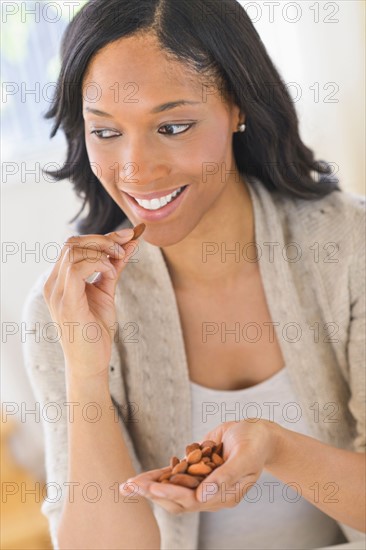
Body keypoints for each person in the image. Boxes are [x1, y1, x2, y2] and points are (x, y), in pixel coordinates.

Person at [22, 0, 365, 549]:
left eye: (173, 125)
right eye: (106, 133)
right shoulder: (63, 309)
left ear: (238, 107)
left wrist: (275, 448)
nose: (136, 169)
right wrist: (85, 373)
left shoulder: (350, 247)